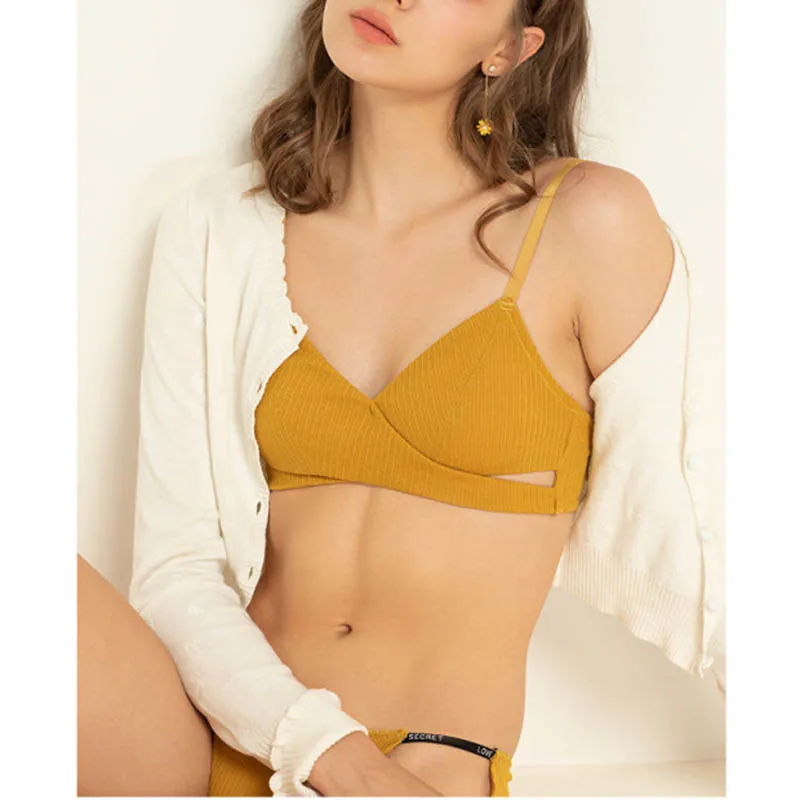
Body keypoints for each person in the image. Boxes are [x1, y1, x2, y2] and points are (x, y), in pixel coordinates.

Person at [78, 0, 724, 796]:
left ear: (509, 49)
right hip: (208, 731)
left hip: (418, 765)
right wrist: (330, 755)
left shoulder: (587, 222)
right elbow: (177, 571)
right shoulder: (220, 224)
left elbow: (708, 528)